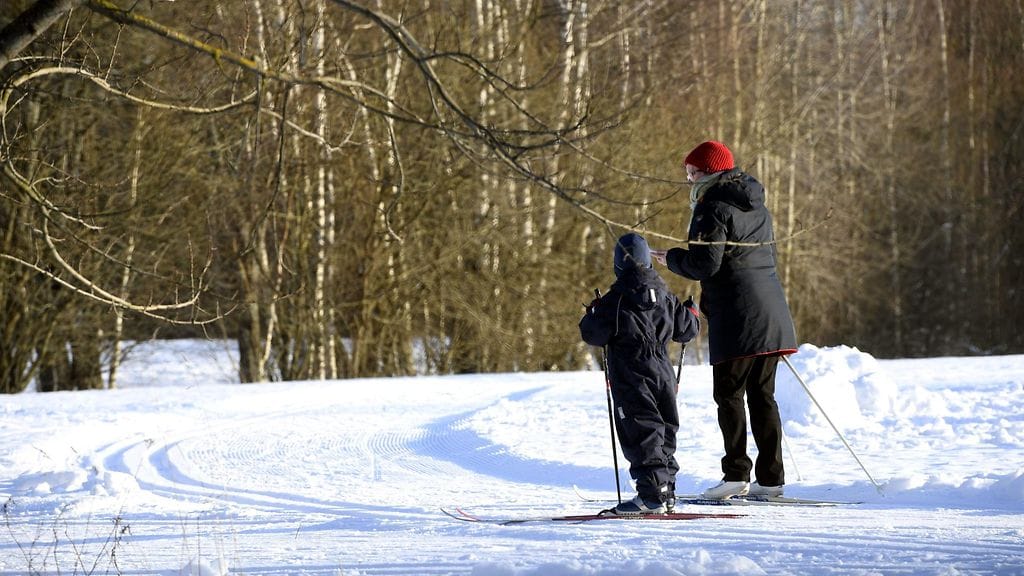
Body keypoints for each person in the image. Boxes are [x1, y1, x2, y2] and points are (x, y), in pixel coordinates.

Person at [650, 140, 797, 500]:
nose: (689, 180)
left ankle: (736, 475)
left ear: (711, 172)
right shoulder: (756, 205)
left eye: (693, 173)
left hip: (739, 315)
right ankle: (771, 480)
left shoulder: (711, 206)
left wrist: (672, 259)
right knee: (763, 396)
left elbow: (706, 264)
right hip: (772, 312)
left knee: (728, 394)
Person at [579, 232, 700, 515]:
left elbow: (592, 333)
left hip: (632, 373)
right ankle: (665, 490)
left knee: (641, 429)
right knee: (664, 427)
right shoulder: (666, 297)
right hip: (662, 371)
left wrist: (592, 312)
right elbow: (687, 330)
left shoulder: (616, 300)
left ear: (618, 264)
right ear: (648, 262)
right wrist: (691, 313)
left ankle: (651, 496)